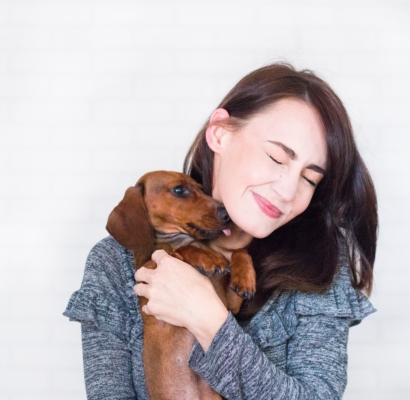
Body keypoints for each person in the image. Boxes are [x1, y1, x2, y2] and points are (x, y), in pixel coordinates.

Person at [64, 62, 378, 400]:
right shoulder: (113, 264)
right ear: (220, 133)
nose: (288, 191)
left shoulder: (321, 267)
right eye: (276, 157)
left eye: (309, 178)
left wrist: (208, 318)